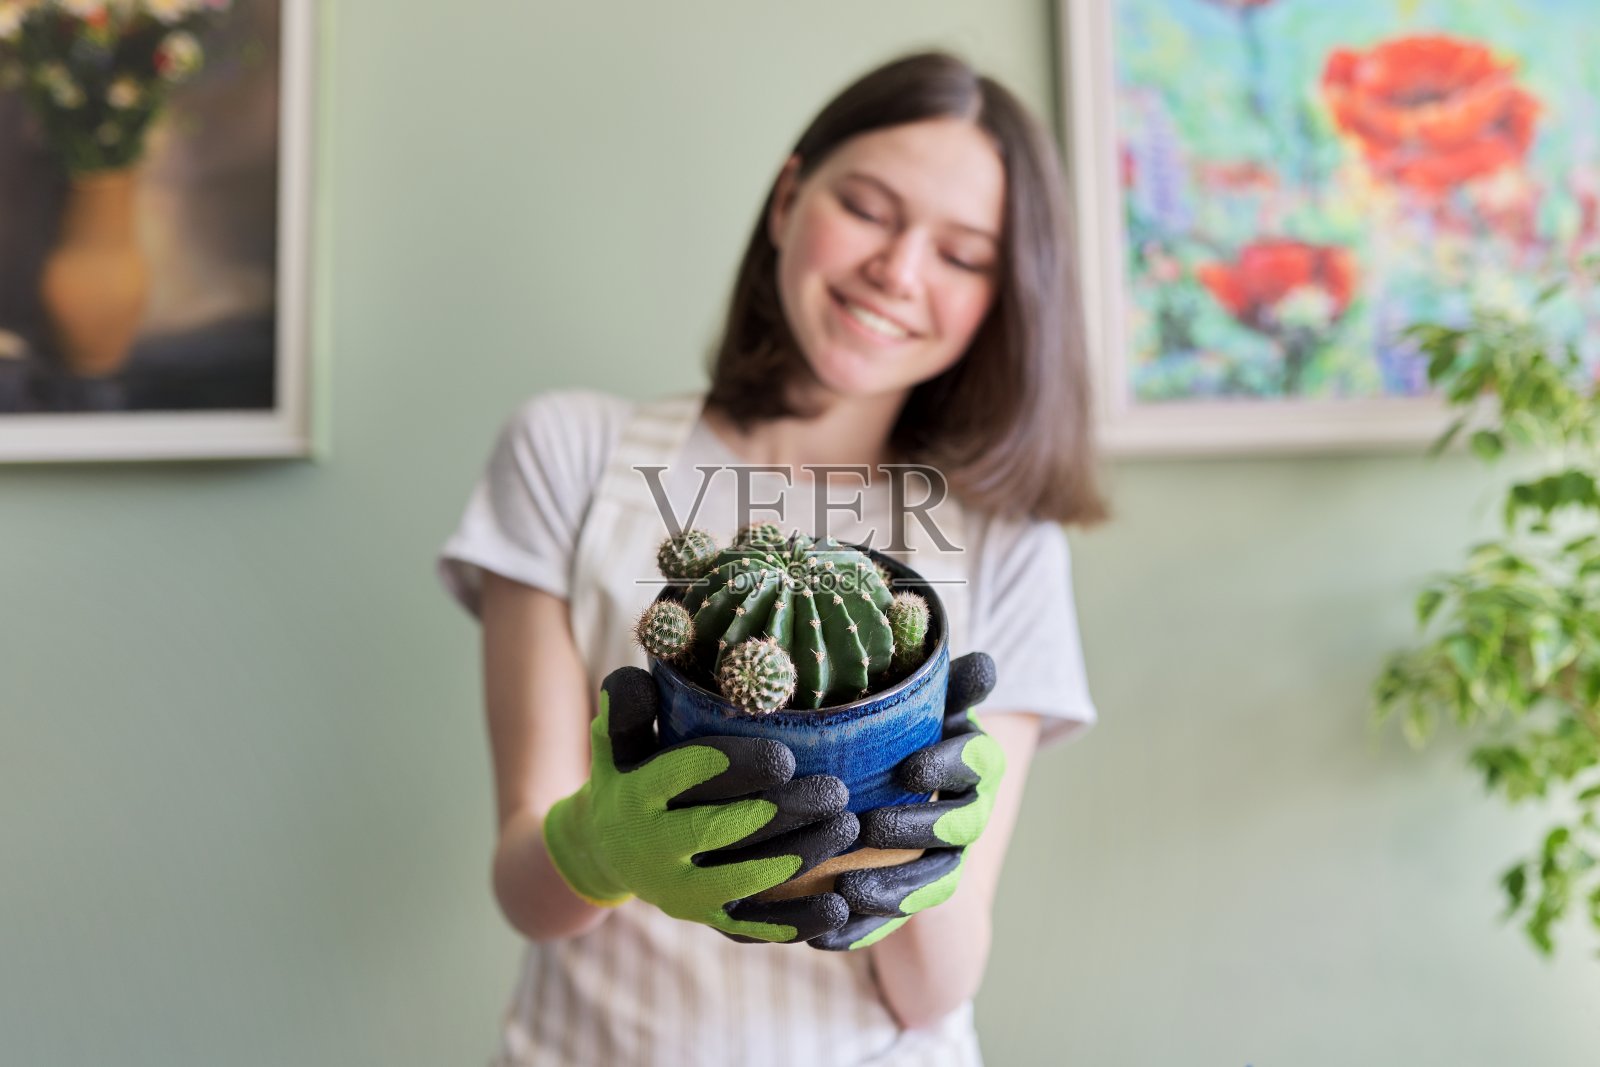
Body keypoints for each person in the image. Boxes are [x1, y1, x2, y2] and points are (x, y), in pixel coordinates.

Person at [436, 49, 1108, 1067]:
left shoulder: (1005, 535)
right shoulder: (571, 451)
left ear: (1004, 296)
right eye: (870, 208)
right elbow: (529, 895)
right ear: (791, 195)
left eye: (963, 256)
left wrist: (926, 855)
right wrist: (597, 841)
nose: (898, 268)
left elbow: (932, 989)